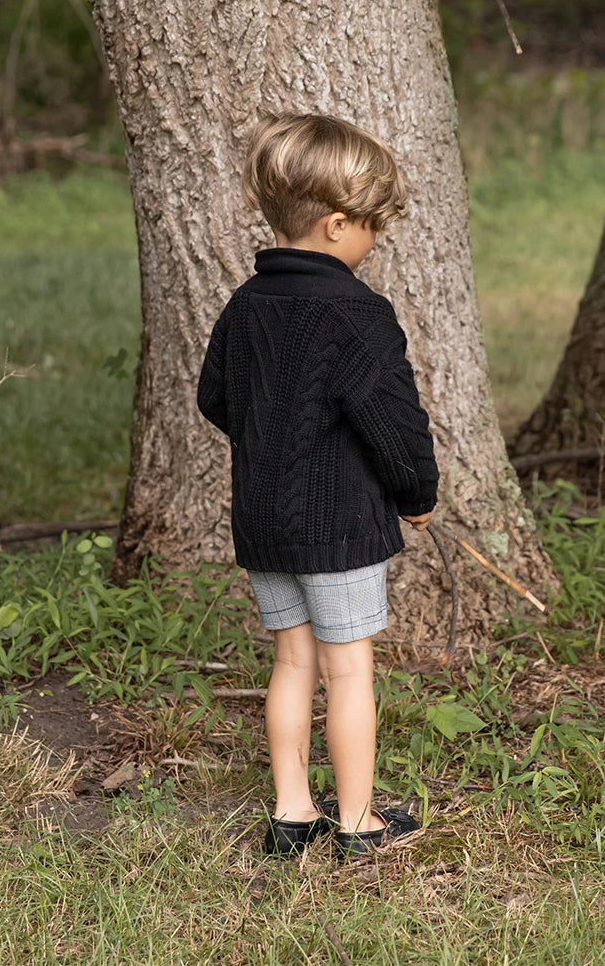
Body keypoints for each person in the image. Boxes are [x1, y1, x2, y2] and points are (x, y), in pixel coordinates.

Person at [197, 113, 439, 858]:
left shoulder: (246, 304)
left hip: (262, 522)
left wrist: (273, 441)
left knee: (292, 661)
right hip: (338, 527)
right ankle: (359, 821)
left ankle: (293, 812)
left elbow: (215, 397)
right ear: (337, 225)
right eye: (372, 227)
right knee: (348, 668)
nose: (375, 240)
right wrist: (417, 496)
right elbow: (395, 423)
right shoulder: (357, 314)